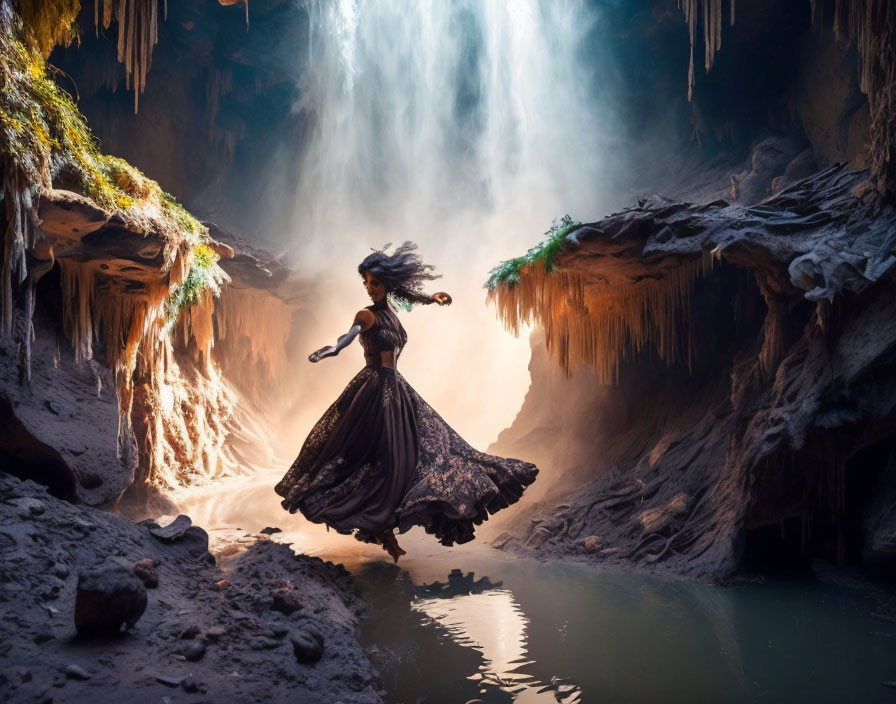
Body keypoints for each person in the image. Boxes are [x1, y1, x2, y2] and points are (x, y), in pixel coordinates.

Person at [275, 242, 538, 561]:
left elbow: (410, 298)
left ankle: (389, 526)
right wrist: (336, 347)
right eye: (367, 283)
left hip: (397, 389)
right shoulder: (366, 315)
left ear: (388, 284)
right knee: (379, 459)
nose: (370, 288)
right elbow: (350, 333)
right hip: (373, 389)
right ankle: (380, 527)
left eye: (376, 282)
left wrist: (433, 298)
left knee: (428, 452)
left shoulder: (393, 315)